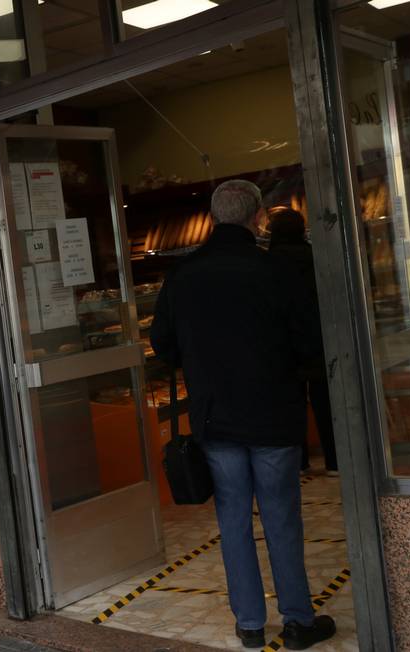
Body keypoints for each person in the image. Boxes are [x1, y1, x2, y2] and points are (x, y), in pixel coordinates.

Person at [150, 180, 335, 650]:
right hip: (274, 415)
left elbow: (163, 346)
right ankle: (297, 620)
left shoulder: (183, 275)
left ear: (214, 218)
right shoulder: (275, 271)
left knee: (233, 519)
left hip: (215, 419)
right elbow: (311, 342)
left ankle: (249, 624)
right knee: (281, 518)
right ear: (257, 217)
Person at [266, 208, 338, 476]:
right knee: (325, 403)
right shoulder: (315, 257)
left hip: (284, 344)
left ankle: (299, 462)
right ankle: (334, 461)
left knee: (292, 404)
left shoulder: (269, 262)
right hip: (319, 338)